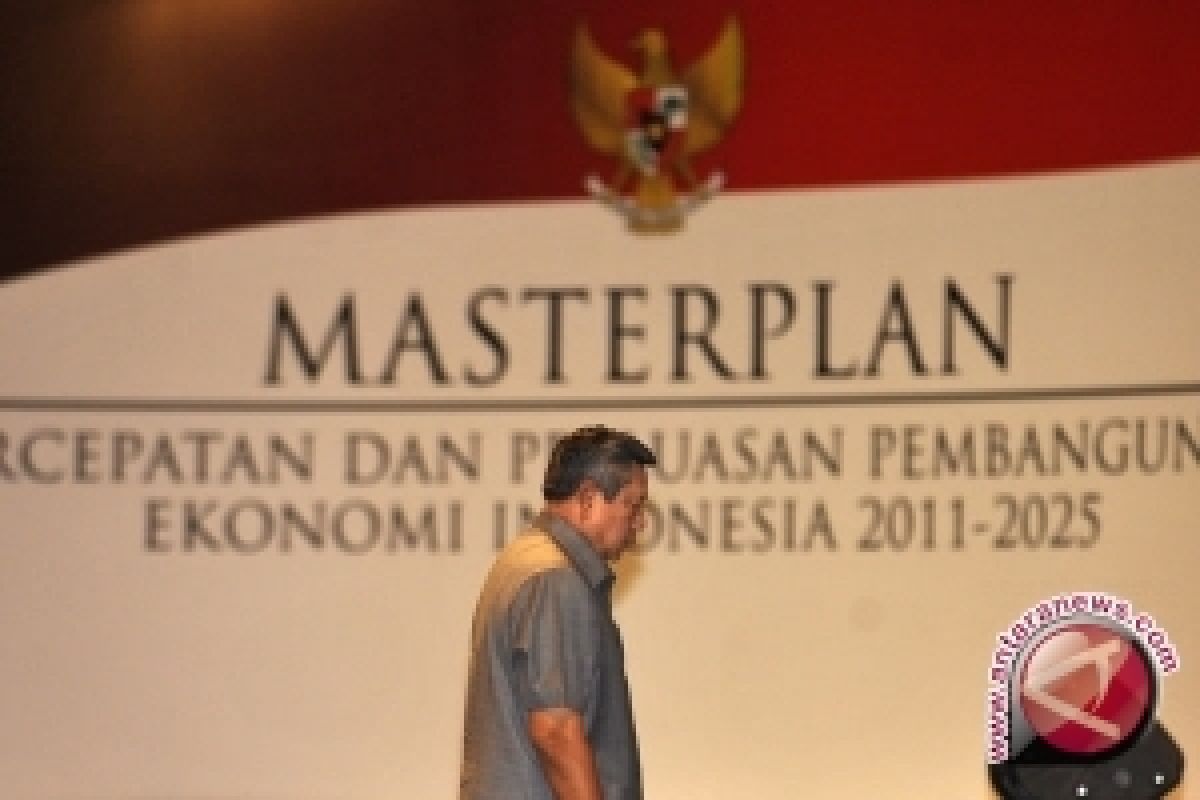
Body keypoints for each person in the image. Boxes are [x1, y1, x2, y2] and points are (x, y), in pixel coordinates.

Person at [460, 425, 655, 800]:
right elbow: (555, 729)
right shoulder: (556, 578)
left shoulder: (525, 558)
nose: (640, 522)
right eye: (632, 505)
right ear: (588, 499)